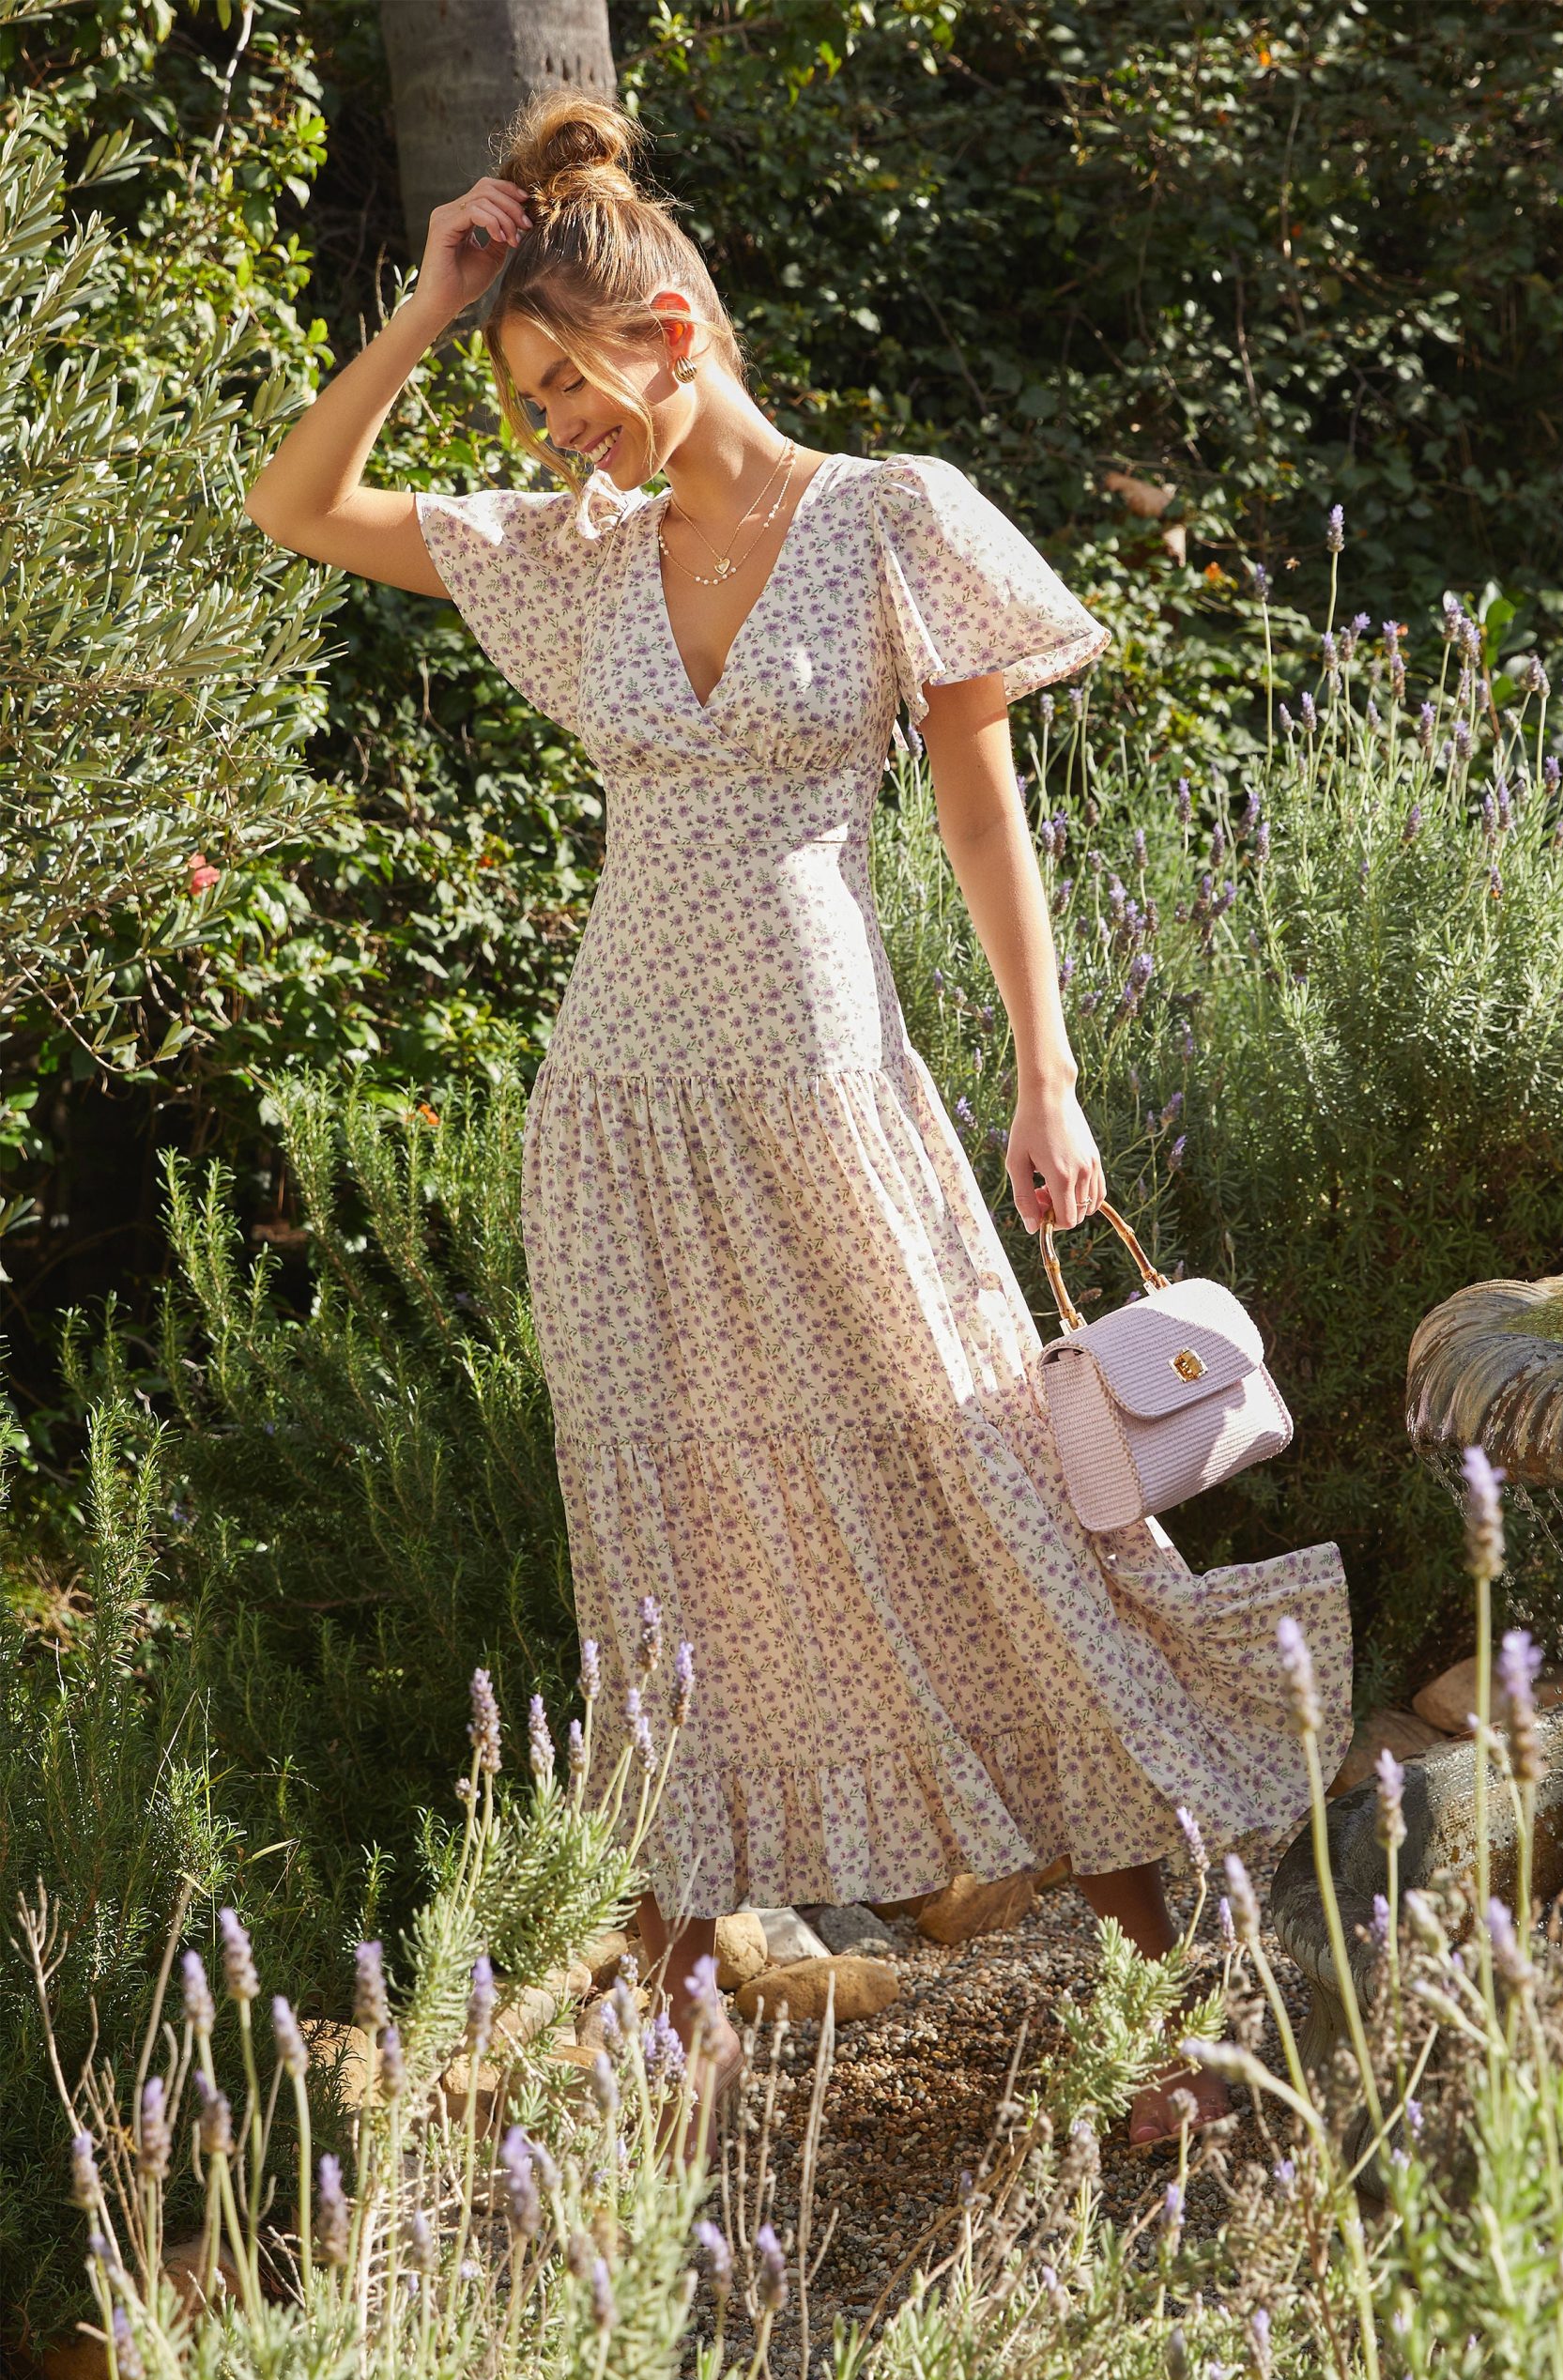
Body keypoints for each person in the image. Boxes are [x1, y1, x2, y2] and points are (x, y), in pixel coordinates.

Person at [245, 87, 1350, 2152]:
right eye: (528, 405)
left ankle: (1173, 2012)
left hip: (831, 1101)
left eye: (574, 389)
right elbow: (298, 503)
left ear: (674, 334)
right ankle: (682, 2056)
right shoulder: (571, 557)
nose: (555, 433)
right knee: (664, 1552)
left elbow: (981, 814)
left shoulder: (889, 516)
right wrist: (431, 308)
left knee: (985, 1511)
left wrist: (1046, 1072)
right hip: (619, 1121)